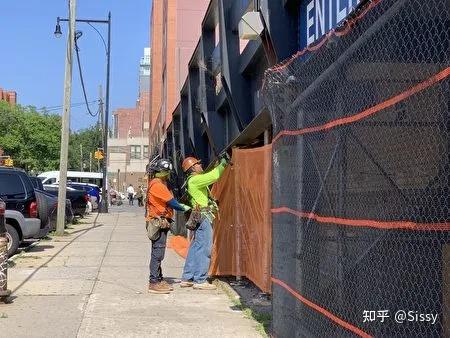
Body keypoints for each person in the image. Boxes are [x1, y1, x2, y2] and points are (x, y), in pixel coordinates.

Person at [180, 154, 230, 290]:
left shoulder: (193, 180)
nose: (201, 165)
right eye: (198, 164)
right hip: (203, 217)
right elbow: (214, 176)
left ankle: (187, 277)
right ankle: (200, 280)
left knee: (196, 247)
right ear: (193, 168)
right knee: (205, 248)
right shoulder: (195, 180)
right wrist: (224, 163)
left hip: (198, 216)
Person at [146, 158, 190, 294]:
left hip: (160, 221)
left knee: (158, 252)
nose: (169, 175)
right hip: (158, 222)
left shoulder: (156, 183)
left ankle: (158, 278)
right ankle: (153, 282)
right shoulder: (158, 185)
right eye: (167, 172)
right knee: (158, 253)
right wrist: (187, 208)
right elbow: (173, 203)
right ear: (162, 172)